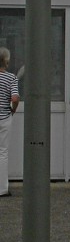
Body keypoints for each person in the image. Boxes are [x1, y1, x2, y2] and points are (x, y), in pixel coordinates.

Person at [0, 47, 21, 197]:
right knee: (2, 153)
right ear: (6, 61)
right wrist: (12, 110)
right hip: (4, 118)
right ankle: (2, 189)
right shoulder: (11, 78)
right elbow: (15, 98)